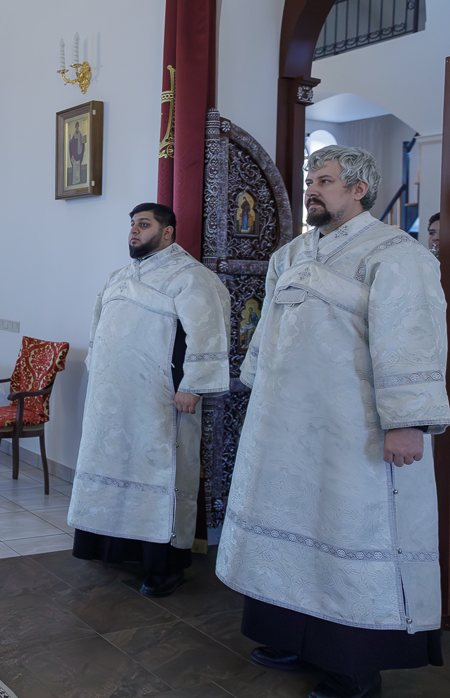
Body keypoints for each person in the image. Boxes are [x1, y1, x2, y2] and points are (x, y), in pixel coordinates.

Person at [216, 145, 447, 698]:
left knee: (348, 530)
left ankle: (353, 666)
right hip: (286, 428)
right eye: (310, 180)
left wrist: (407, 422)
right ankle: (292, 637)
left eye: (324, 180)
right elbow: (268, 333)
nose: (311, 190)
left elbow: (411, 336)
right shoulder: (290, 255)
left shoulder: (397, 254)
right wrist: (259, 394)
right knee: (292, 523)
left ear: (358, 189)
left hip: (355, 430)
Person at [67, 203, 231, 598]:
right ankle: (115, 549)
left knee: (161, 473)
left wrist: (194, 385)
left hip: (159, 400)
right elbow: (97, 330)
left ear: (168, 232)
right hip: (113, 400)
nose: (134, 231)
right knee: (113, 465)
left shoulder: (190, 276)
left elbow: (208, 331)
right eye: (132, 225)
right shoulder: (119, 277)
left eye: (144, 224)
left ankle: (165, 567)